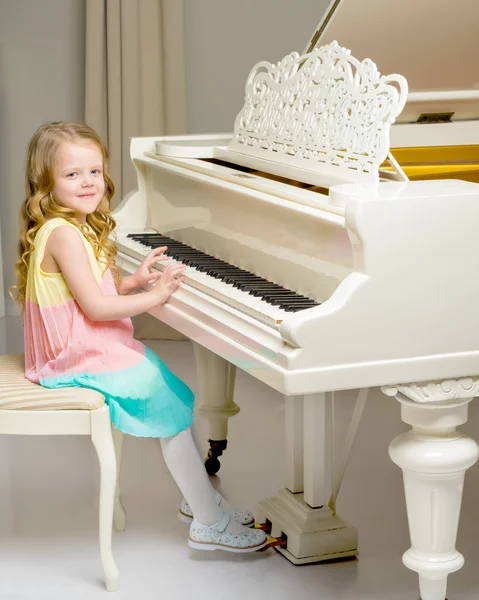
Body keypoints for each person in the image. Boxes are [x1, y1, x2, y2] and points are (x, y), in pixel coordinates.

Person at [10, 121, 267, 553]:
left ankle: (199, 499)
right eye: (72, 174)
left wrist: (133, 282)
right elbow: (95, 308)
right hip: (73, 356)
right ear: (46, 182)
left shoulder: (71, 226)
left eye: (94, 170)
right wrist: (156, 296)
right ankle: (208, 523)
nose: (88, 182)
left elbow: (93, 291)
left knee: (169, 392)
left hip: (87, 345)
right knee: (165, 403)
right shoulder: (64, 234)